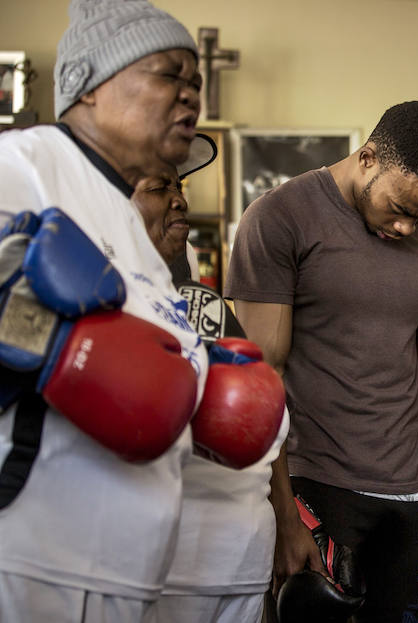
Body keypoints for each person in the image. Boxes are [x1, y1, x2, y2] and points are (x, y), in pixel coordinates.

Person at [225, 100, 418, 622]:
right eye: (399, 209)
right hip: (318, 486)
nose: (406, 228)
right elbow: (263, 376)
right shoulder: (279, 218)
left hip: (414, 493)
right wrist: (284, 514)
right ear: (368, 157)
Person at [0, 0, 208, 620]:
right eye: (169, 75)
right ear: (86, 87)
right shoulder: (24, 165)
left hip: (128, 566)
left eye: (196, 82)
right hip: (37, 551)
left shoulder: (126, 210)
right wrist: (48, 343)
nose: (190, 96)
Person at [130, 141, 289, 623]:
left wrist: (287, 520)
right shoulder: (93, 300)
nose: (180, 198)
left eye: (180, 186)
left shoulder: (201, 300)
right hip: (155, 562)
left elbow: (265, 425)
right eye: (161, 187)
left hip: (238, 553)